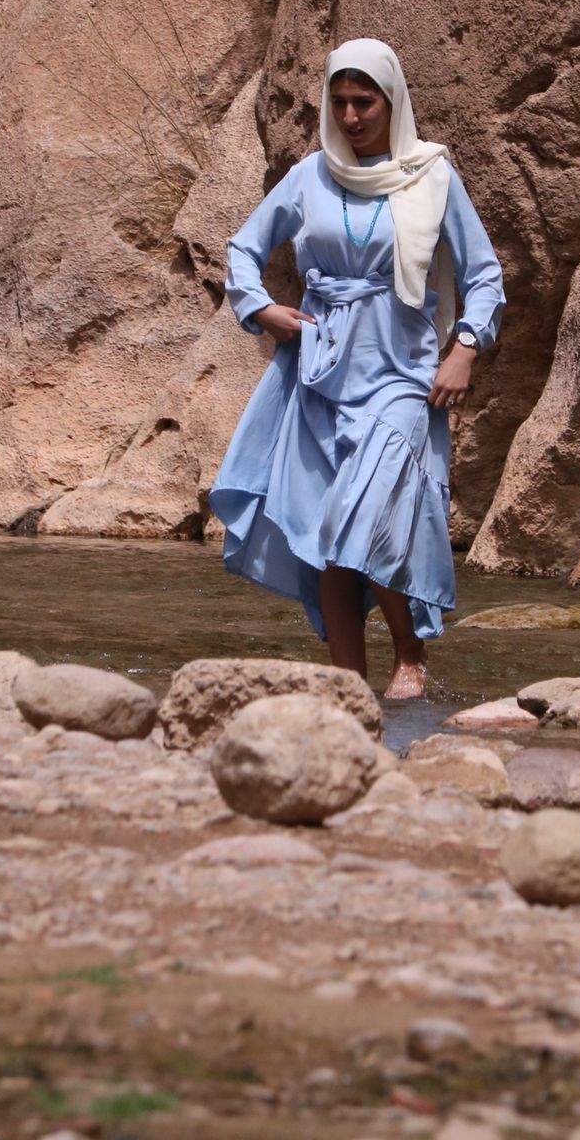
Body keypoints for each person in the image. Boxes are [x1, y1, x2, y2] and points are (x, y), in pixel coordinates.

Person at [209, 37, 505, 699]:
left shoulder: (433, 176)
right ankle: (348, 692)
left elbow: (484, 276)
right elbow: (242, 250)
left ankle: (409, 652)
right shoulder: (310, 176)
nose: (350, 116)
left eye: (363, 101)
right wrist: (263, 311)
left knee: (365, 515)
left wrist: (464, 348)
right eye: (339, 102)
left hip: (402, 374)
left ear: (390, 100)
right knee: (323, 532)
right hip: (317, 374)